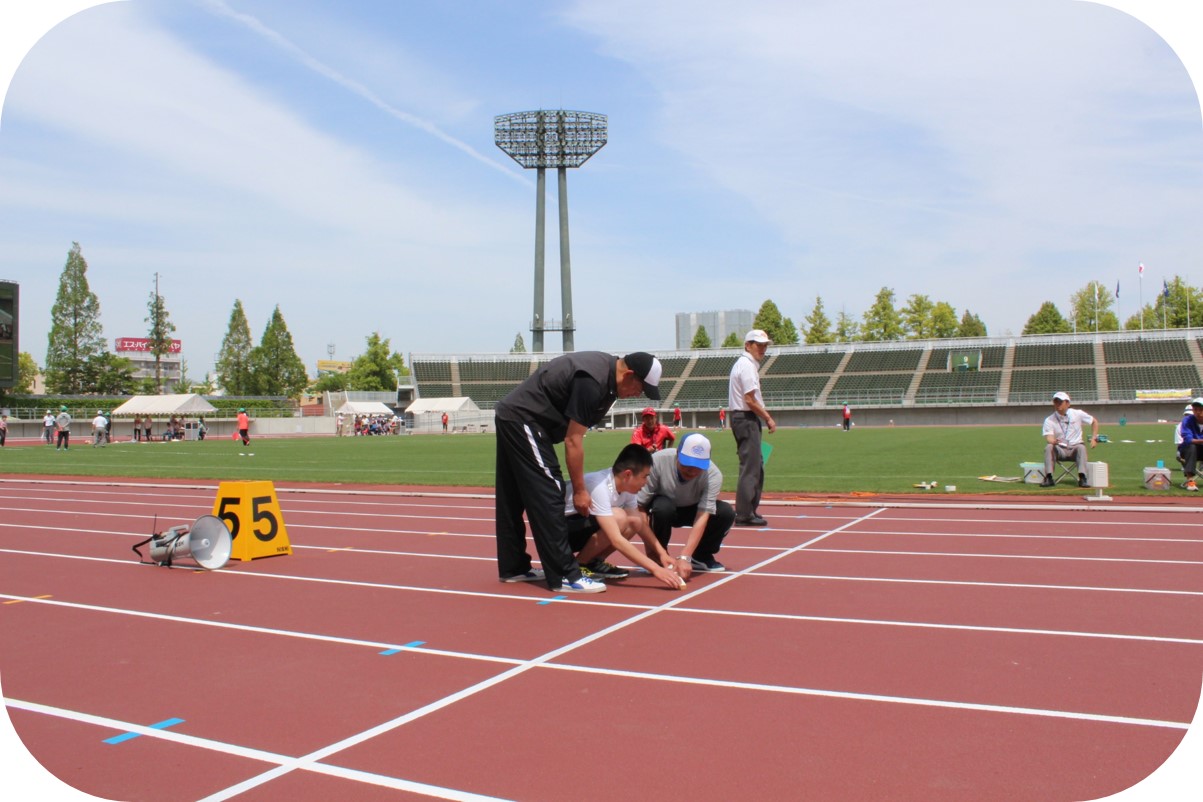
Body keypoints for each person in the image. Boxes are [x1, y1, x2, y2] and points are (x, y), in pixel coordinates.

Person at [494, 350, 663, 594]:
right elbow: (573, 440)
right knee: (551, 491)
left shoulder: (605, 377)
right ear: (629, 374)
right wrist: (581, 490)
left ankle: (514, 567)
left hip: (515, 417)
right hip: (525, 419)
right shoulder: (592, 382)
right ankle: (565, 574)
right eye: (640, 388)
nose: (638, 394)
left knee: (512, 496)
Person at [565, 444, 685, 589]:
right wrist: (656, 569)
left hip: (581, 527)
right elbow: (616, 540)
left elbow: (639, 523)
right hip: (561, 534)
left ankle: (594, 562)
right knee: (619, 517)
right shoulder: (599, 486)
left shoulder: (627, 488)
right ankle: (579, 565)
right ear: (628, 474)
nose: (646, 482)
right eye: (644, 477)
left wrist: (661, 553)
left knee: (634, 520)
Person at [636, 432, 735, 575]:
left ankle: (701, 555)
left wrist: (685, 556)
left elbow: (703, 515)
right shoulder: (657, 461)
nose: (692, 470)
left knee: (725, 512)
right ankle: (659, 557)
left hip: (693, 508)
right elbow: (640, 508)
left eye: (699, 466)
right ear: (677, 453)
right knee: (662, 507)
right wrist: (654, 549)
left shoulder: (713, 475)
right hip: (663, 507)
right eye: (687, 463)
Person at [728, 329, 775, 526]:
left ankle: (748, 511)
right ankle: (745, 514)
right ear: (748, 345)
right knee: (751, 467)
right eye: (758, 344)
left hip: (744, 418)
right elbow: (749, 399)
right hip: (746, 418)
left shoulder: (746, 364)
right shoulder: (747, 366)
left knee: (755, 465)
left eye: (765, 345)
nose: (762, 348)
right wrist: (768, 417)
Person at [1041, 391, 1098, 487]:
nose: (1058, 404)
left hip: (1075, 448)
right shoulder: (1049, 419)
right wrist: (1054, 441)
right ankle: (1049, 477)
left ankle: (1082, 477)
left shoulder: (1078, 413)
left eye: (1060, 402)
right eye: (1056, 401)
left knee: (1081, 448)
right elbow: (1049, 437)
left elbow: (1094, 422)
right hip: (1060, 449)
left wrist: (1094, 438)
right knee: (1049, 447)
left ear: (1068, 403)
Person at [1176, 398, 1203, 491]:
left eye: (1201, 409)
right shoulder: (1187, 420)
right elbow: (1188, 439)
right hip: (1187, 450)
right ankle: (1190, 481)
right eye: (1195, 409)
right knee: (1191, 447)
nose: (1198, 412)